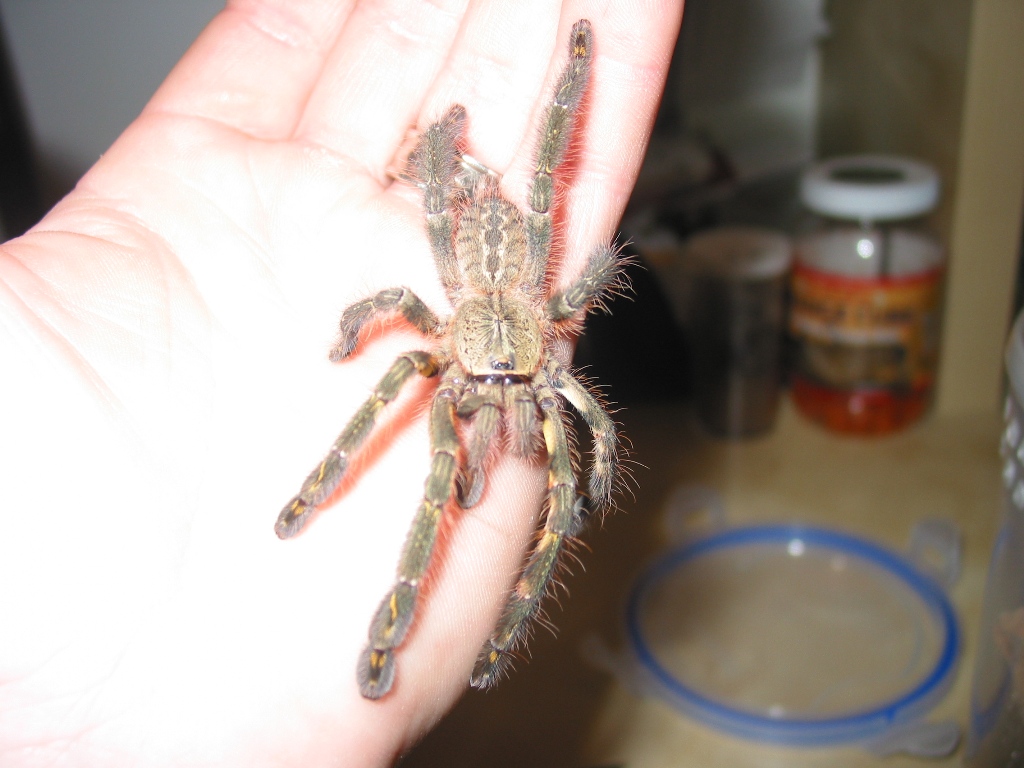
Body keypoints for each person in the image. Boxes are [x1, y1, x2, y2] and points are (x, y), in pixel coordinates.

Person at [0, 1, 684, 764]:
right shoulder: (431, 317)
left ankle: (504, 630)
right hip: (485, 297)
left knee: (557, 483)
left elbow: (594, 411)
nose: (498, 400)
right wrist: (356, 330)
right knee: (438, 477)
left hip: (511, 307)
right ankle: (367, 580)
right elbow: (394, 293)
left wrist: (595, 470)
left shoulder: (538, 321)